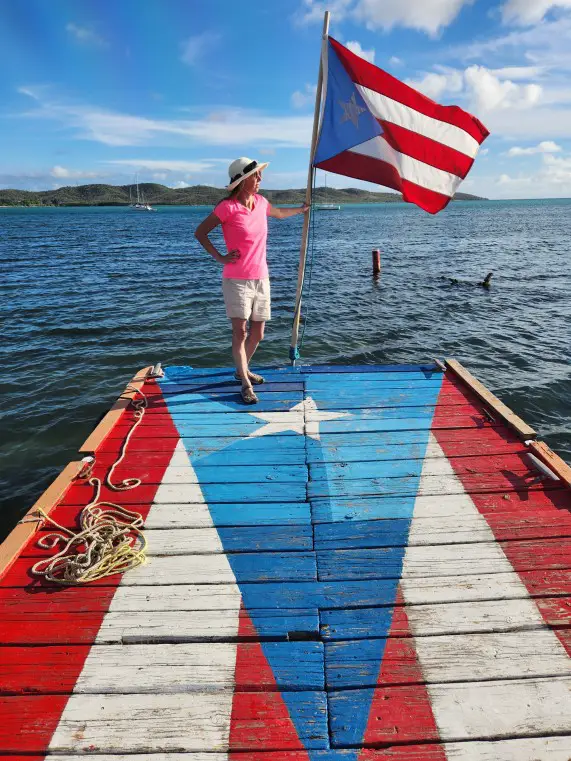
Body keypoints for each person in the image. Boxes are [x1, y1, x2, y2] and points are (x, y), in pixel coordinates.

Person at [194, 157, 309, 404]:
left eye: (258, 175)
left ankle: (241, 369)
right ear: (242, 180)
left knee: (258, 333)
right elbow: (200, 233)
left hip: (261, 277)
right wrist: (220, 257)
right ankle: (245, 383)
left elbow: (278, 213)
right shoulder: (227, 207)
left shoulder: (261, 203)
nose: (260, 179)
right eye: (255, 176)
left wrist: (301, 210)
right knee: (240, 333)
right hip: (236, 280)